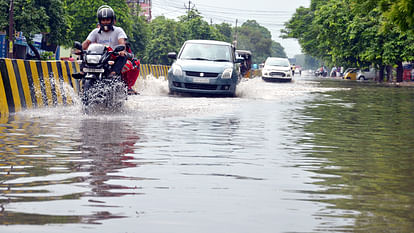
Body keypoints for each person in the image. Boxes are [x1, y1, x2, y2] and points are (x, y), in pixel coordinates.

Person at [82, 5, 139, 95]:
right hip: (99, 57)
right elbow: (87, 42)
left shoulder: (118, 30)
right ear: (100, 21)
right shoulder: (95, 32)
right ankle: (83, 72)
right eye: (103, 20)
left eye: (107, 20)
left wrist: (121, 49)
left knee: (123, 56)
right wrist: (81, 49)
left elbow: (121, 42)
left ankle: (113, 73)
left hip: (114, 57)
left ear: (112, 20)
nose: (105, 22)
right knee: (84, 56)